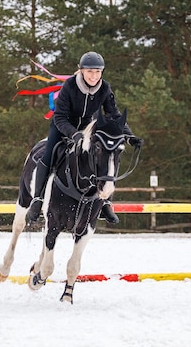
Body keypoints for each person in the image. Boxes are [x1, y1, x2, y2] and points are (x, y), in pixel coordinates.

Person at [27, 51, 143, 224]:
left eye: (97, 72)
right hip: (62, 126)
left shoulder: (105, 88)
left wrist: (129, 136)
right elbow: (59, 117)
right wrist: (73, 134)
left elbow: (114, 115)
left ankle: (105, 202)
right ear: (81, 70)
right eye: (90, 71)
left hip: (88, 127)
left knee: (106, 157)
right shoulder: (70, 86)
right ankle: (37, 199)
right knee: (49, 153)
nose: (94, 76)